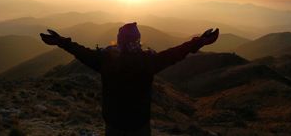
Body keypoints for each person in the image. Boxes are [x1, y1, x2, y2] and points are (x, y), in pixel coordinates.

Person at [40, 22, 219, 136]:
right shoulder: (149, 61)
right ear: (138, 40)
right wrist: (199, 42)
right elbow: (175, 53)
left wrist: (60, 41)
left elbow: (80, 52)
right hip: (139, 125)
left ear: (119, 41)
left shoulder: (105, 61)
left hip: (114, 124)